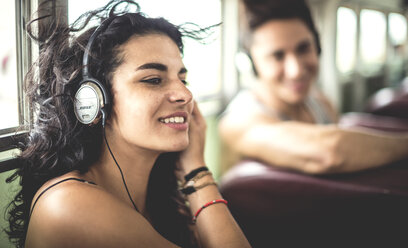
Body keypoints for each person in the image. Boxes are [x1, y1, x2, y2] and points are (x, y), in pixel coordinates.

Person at [6, 1, 251, 247]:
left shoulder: (158, 200)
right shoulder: (69, 203)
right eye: (154, 79)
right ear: (92, 101)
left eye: (183, 80)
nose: (185, 95)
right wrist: (198, 173)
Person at [218, 0, 408, 175]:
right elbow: (329, 152)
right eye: (277, 56)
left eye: (303, 49)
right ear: (253, 64)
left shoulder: (321, 103)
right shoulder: (238, 121)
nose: (296, 71)